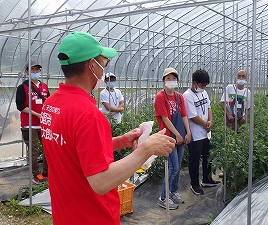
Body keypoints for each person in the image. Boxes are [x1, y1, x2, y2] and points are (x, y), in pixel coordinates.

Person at [40, 31, 175, 225]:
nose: (104, 69)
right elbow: (100, 182)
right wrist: (147, 150)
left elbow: (74, 149)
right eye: (103, 62)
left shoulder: (51, 104)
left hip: (65, 214)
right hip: (92, 216)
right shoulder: (88, 114)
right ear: (91, 65)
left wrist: (119, 142)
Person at [154, 68, 191, 210]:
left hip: (180, 135)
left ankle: (173, 191)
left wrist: (188, 132)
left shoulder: (179, 97)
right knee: (173, 167)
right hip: (168, 136)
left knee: (178, 165)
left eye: (173, 79)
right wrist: (177, 135)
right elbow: (165, 119)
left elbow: (183, 115)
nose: (171, 81)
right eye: (168, 78)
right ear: (163, 81)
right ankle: (163, 198)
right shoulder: (160, 97)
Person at [183, 69, 219, 195]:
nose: (204, 88)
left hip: (205, 132)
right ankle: (195, 184)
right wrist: (206, 124)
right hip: (195, 133)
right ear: (194, 83)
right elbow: (192, 116)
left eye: (205, 85)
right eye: (202, 85)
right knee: (195, 159)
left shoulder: (204, 93)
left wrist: (210, 121)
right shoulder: (187, 96)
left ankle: (206, 179)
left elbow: (209, 107)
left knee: (208, 156)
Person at [16, 60, 49, 185]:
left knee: (48, 149)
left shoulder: (44, 86)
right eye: (32, 70)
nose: (35, 72)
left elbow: (49, 102)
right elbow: (20, 105)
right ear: (27, 72)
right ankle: (36, 175)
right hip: (28, 124)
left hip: (43, 124)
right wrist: (37, 115)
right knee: (33, 151)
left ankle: (46, 172)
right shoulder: (23, 87)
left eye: (37, 70)